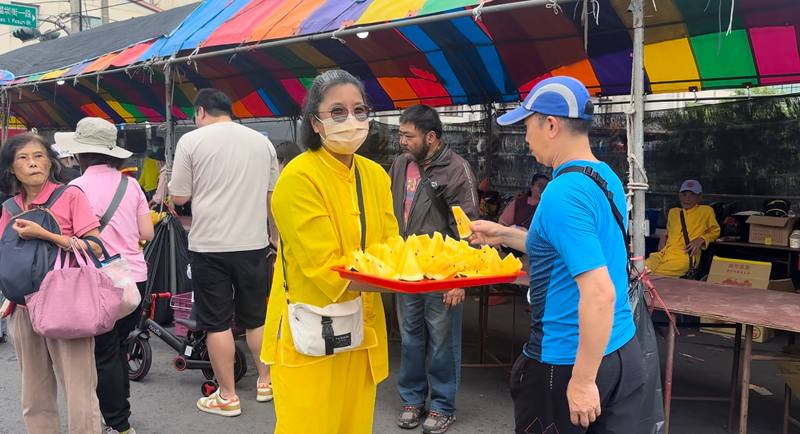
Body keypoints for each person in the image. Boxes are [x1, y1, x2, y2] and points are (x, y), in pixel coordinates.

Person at [469, 76, 644, 434]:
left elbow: (599, 292)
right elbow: (564, 247)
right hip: (620, 349)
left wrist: (582, 381)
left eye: (527, 126)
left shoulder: (561, 193)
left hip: (568, 359)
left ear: (551, 125)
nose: (525, 138)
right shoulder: (604, 176)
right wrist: (503, 234)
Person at [260, 69, 398, 434]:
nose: (350, 119)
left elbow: (392, 248)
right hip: (309, 334)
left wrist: (428, 271)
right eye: (337, 111)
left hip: (363, 333)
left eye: (359, 110)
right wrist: (406, 281)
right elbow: (327, 268)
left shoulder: (376, 175)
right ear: (315, 123)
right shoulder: (298, 178)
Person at [169, 88, 279, 416]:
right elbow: (272, 197)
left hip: (209, 246)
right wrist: (274, 238)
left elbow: (179, 197)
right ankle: (266, 382)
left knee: (216, 323)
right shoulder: (262, 142)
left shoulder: (191, 141)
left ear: (201, 112)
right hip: (254, 244)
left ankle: (228, 396)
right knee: (256, 318)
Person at [0, 133, 104, 434]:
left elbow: (95, 246)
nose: (32, 163)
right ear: (12, 168)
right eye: (23, 158)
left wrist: (45, 235)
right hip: (23, 306)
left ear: (51, 162)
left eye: (39, 156)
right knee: (34, 393)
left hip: (67, 303)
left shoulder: (70, 196)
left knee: (79, 390)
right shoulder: (9, 208)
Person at [58, 117, 156, 434]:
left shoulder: (74, 188)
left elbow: (68, 237)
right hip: (134, 277)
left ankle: (118, 422)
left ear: (80, 154)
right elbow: (147, 233)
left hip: (96, 278)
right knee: (119, 346)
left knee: (104, 352)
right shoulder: (131, 185)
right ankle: (117, 411)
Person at [388, 104, 479, 434]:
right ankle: (412, 399)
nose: (402, 142)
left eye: (408, 136)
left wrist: (459, 278)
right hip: (407, 270)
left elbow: (467, 230)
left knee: (442, 342)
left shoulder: (457, 170)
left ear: (431, 137)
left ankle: (442, 405)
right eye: (400, 135)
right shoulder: (400, 164)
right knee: (410, 338)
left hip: (442, 273)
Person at [645, 180, 720, 277]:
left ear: (699, 197)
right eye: (684, 194)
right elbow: (669, 230)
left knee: (654, 276)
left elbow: (715, 231)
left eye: (691, 195)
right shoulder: (673, 212)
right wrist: (663, 238)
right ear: (679, 195)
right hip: (663, 253)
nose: (686, 198)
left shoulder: (706, 211)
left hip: (684, 256)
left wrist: (701, 239)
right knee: (639, 270)